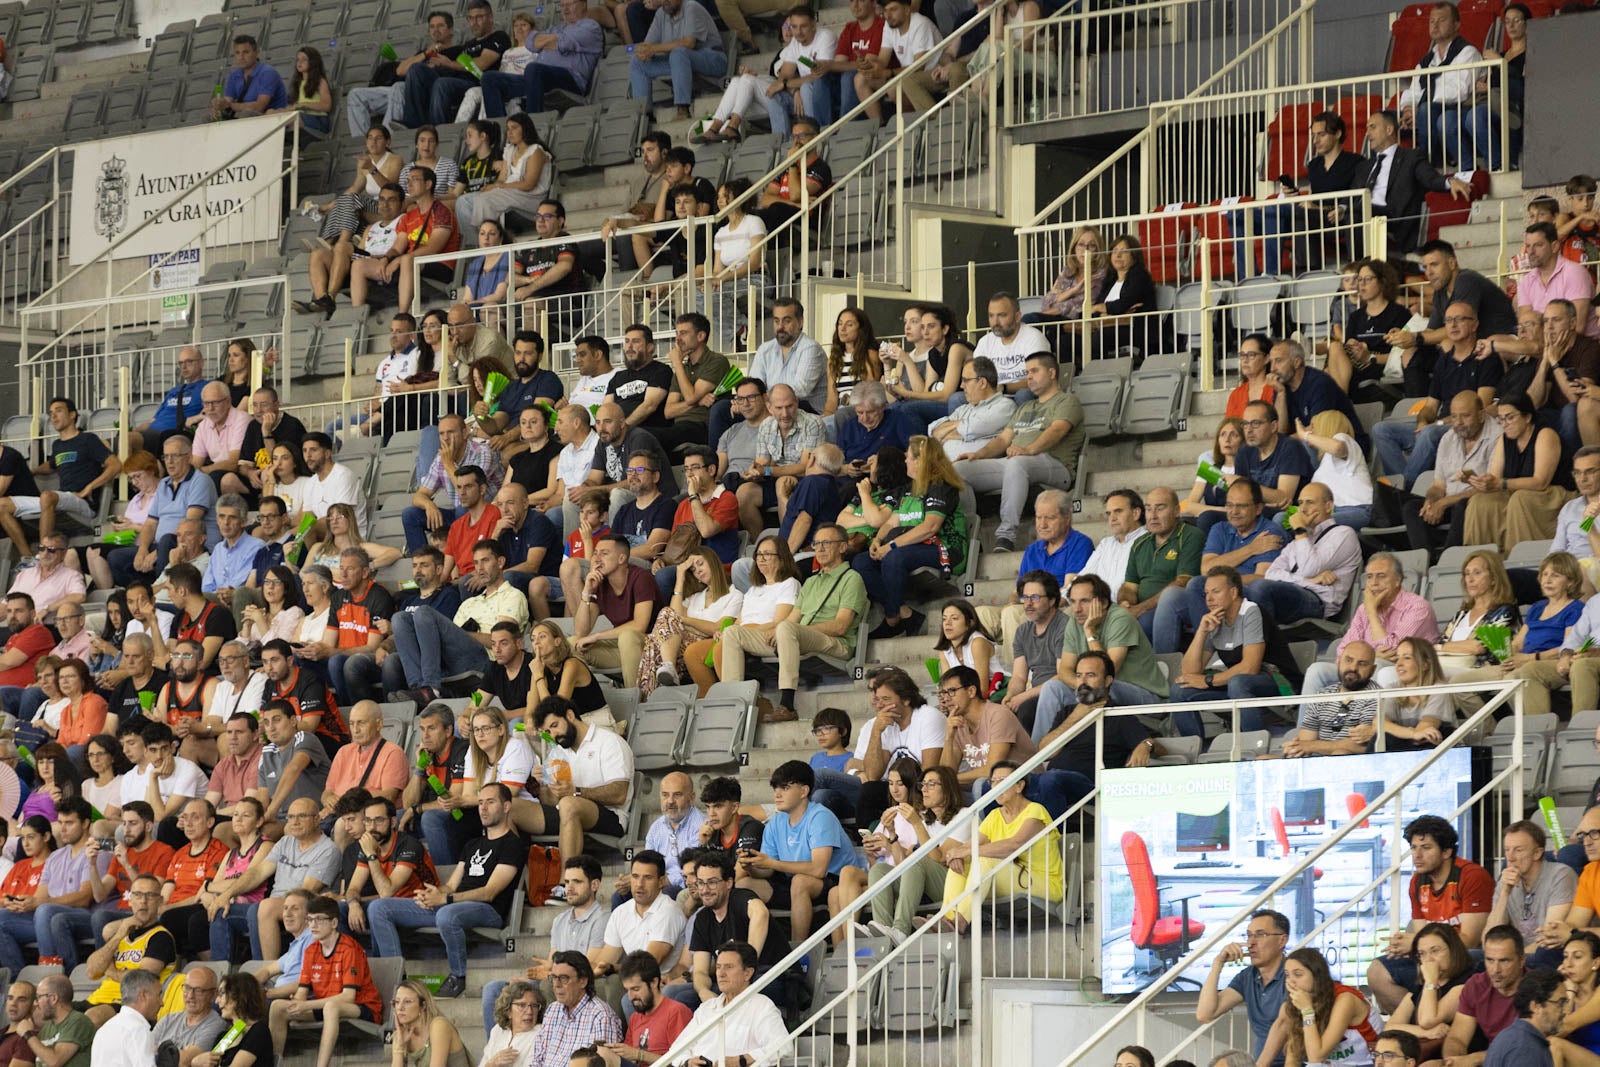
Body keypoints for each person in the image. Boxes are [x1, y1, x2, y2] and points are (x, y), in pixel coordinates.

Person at [953, 352, 1084, 553]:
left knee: (1018, 462)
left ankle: (1006, 535)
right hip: (1016, 463)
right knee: (958, 470)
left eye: (1034, 371)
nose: (1028, 377)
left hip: (1056, 466)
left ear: (1051, 372)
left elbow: (1057, 431)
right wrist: (978, 454)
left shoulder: (1067, 401)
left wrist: (1027, 450)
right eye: (1026, 372)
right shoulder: (1025, 406)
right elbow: (1003, 440)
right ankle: (970, 537)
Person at [854, 436, 966, 639]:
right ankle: (906, 614)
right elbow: (890, 523)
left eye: (908, 457)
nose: (905, 460)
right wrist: (878, 541)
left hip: (945, 549)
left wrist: (891, 546)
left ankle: (892, 618)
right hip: (912, 548)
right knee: (861, 562)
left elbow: (929, 528)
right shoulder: (909, 489)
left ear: (920, 461)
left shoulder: (941, 487)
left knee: (894, 557)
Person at [937, 759, 1060, 934]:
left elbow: (1015, 845)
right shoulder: (994, 815)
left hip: (1044, 883)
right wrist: (957, 854)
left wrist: (966, 850)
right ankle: (947, 918)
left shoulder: (1035, 811)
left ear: (1019, 786)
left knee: (984, 861)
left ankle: (961, 922)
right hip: (1010, 878)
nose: (995, 786)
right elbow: (968, 846)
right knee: (961, 864)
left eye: (1002, 781)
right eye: (992, 781)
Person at [267, 894, 384, 1067]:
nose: (312, 925)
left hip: (363, 1007)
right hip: (324, 1005)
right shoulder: (311, 951)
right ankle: (273, 1063)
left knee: (331, 1007)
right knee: (278, 1007)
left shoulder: (349, 949)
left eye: (319, 920)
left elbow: (348, 997)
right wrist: (297, 1003)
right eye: (310, 919)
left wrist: (305, 1005)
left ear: (334, 923)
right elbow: (302, 992)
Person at [1170, 567, 1279, 738]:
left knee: (1238, 683)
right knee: (1179, 689)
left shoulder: (1251, 611)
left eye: (1216, 592)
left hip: (1277, 679)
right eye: (1206, 593)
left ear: (1234, 592)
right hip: (1236, 682)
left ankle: (1255, 744)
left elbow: (1250, 667)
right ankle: (1196, 752)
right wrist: (1201, 632)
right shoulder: (1214, 619)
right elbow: (1189, 672)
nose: (1209, 599)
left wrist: (1208, 680)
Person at [1360, 110, 1473, 258]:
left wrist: (1450, 181)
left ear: (1389, 130)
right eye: (1367, 128)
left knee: (1358, 212)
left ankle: (1358, 263)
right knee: (1339, 214)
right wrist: (1341, 207)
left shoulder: (1411, 157)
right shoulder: (1364, 167)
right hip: (1364, 214)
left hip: (1394, 217)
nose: (1367, 133)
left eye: (1372, 127)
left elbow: (1430, 178)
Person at [535, 697, 634, 863]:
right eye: (548, 732)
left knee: (569, 804)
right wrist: (542, 787)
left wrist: (576, 792)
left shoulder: (609, 741)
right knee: (509, 806)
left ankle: (565, 883)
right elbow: (552, 801)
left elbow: (619, 794)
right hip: (566, 813)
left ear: (570, 715)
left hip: (611, 815)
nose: (553, 735)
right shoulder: (559, 751)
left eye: (554, 726)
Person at [662, 941, 791, 1067]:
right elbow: (677, 1050)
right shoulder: (707, 1008)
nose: (721, 973)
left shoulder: (761, 1006)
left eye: (729, 967)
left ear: (747, 973)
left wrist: (741, 1060)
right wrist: (688, 1062)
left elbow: (784, 1047)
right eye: (718, 967)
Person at [1198, 910, 1290, 1065]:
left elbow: (1282, 1025)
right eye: (1249, 935)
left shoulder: (1294, 975)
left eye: (1260, 935)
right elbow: (1205, 1014)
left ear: (1282, 940)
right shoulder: (1248, 977)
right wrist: (1217, 964)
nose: (1251, 943)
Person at [480, 0, 603, 116]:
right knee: (490, 78)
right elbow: (531, 42)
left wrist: (548, 41)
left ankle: (532, 122)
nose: (565, 9)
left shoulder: (591, 27)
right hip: (537, 78)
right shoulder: (556, 28)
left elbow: (563, 43)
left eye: (570, 4)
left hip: (571, 80)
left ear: (583, 4)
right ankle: (497, 129)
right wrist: (553, 41)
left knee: (533, 68)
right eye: (562, 5)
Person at [627, 0, 726, 120]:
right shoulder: (661, 13)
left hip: (712, 58)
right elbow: (648, 45)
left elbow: (689, 43)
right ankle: (645, 116)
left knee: (678, 52)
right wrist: (643, 52)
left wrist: (654, 49)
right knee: (637, 62)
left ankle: (682, 108)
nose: (665, 1)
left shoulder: (691, 7)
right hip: (679, 62)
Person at [527, 952, 622, 1067]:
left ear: (583, 981)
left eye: (563, 978)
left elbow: (603, 1064)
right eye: (553, 978)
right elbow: (538, 1060)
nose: (556, 984)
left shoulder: (602, 1016)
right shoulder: (553, 1009)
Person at [1483, 969, 1566, 1067]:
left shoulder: (1512, 1036)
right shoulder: (1525, 1050)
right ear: (1536, 1007)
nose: (1565, 1011)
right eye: (1560, 1003)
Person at [189, 971, 272, 1067]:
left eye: (222, 994)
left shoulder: (259, 1031)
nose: (217, 1001)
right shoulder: (229, 1034)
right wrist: (195, 1063)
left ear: (239, 995)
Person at [149, 957, 227, 1058]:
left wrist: (157, 1051)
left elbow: (185, 1060)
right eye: (187, 988)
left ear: (213, 995)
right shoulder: (168, 1019)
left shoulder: (216, 1024)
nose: (190, 996)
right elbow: (145, 1052)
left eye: (198, 991)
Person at [89, 967, 160, 1067]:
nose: (162, 1002)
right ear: (143, 996)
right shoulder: (139, 1030)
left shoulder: (104, 1029)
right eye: (158, 995)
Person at [212, 35, 288, 120]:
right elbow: (228, 100)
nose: (241, 57)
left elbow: (259, 107)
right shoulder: (234, 75)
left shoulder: (268, 73)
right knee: (209, 118)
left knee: (246, 115)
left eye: (246, 52)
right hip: (245, 115)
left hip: (271, 118)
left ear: (256, 52)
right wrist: (220, 105)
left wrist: (231, 106)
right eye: (237, 53)